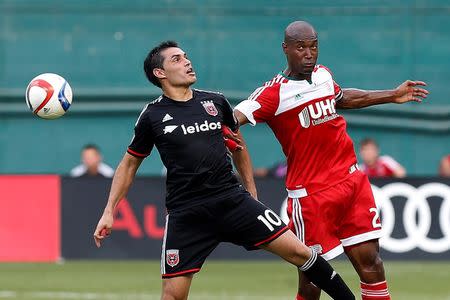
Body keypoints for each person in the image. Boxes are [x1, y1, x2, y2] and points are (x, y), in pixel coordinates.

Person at [93, 41, 355, 300]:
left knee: (303, 254)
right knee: (172, 296)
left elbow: (238, 146)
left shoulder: (215, 102)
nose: (187, 62)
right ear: (159, 73)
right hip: (187, 213)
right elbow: (128, 164)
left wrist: (251, 191)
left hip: (231, 200)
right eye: (176, 59)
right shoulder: (152, 115)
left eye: (186, 56)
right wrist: (108, 211)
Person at [232, 21, 428, 300]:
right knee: (312, 285)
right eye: (301, 47)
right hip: (312, 195)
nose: (309, 54)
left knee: (373, 266)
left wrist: (392, 95)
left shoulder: (323, 75)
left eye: (313, 46)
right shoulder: (272, 93)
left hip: (351, 182)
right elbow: (230, 121)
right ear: (285, 49)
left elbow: (340, 98)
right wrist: (246, 179)